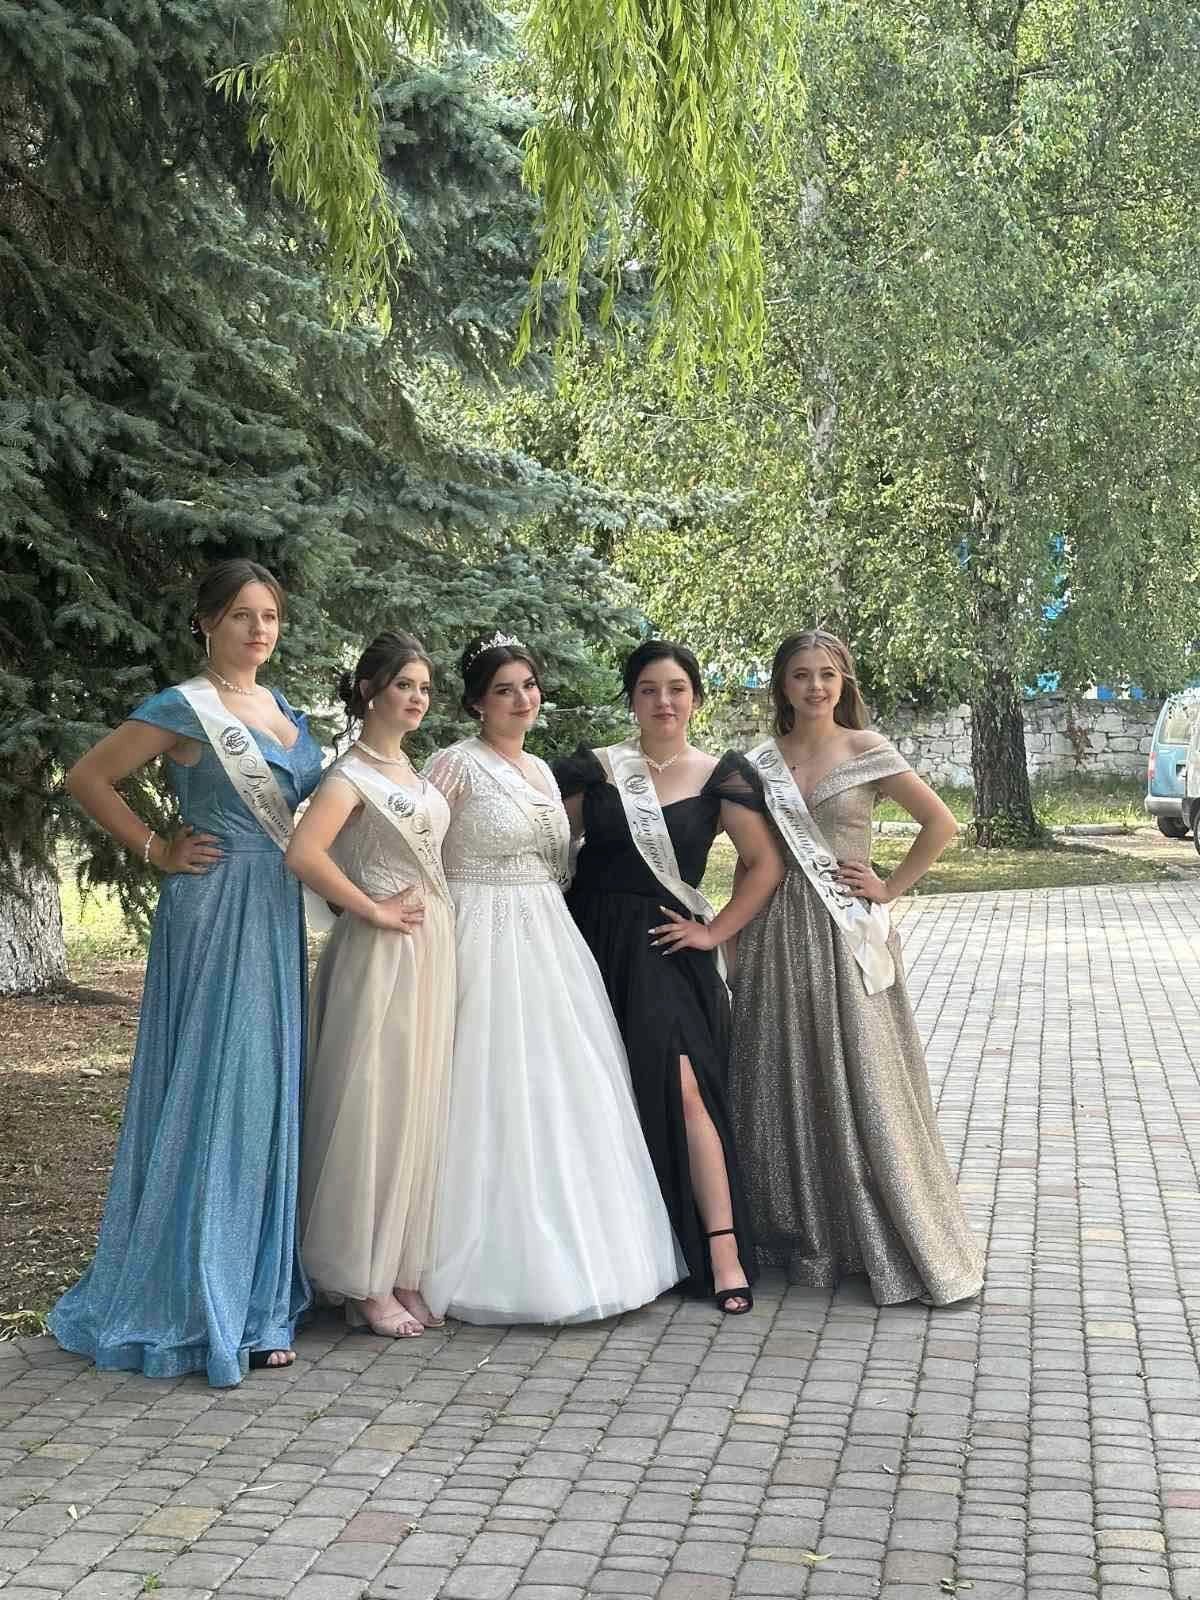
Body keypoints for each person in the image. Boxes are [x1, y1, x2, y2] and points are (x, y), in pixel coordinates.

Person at [48, 559, 323, 1385]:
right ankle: (203, 1295)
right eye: (241, 614)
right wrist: (154, 847)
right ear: (205, 622)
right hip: (213, 906)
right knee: (216, 1086)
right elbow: (88, 777)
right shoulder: (182, 706)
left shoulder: (284, 709)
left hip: (273, 909)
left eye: (269, 615)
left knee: (263, 1088)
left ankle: (257, 1293)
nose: (258, 629)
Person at [421, 632, 681, 1325]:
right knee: (483, 1081)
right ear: (476, 703)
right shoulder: (454, 765)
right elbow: (412, 842)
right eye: (503, 690)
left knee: (560, 1081)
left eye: (529, 686)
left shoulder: (540, 770)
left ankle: (588, 1251)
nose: (521, 700)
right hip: (477, 930)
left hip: (546, 935)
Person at [729, 629, 984, 1306]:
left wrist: (889, 886)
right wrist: (730, 937)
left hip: (845, 934)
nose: (815, 687)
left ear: (844, 682)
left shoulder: (866, 748)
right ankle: (801, 1232)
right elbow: (750, 857)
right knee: (782, 1069)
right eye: (801, 675)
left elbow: (940, 824)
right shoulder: (759, 762)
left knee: (861, 1074)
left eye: (827, 674)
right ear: (782, 684)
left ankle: (877, 1231)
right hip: (773, 931)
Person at [556, 641, 785, 1314]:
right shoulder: (596, 770)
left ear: (696, 698)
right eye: (649, 689)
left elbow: (764, 864)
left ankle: (722, 1250)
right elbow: (541, 845)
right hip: (588, 944)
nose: (664, 701)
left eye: (677, 688)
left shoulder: (721, 776)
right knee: (600, 1092)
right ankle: (614, 1248)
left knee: (687, 1087)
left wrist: (714, 931)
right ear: (631, 699)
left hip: (665, 947)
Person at [287, 632, 454, 1340]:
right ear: (369, 690)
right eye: (403, 685)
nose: (416, 698)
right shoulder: (350, 776)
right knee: (374, 1104)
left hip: (429, 952)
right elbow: (304, 853)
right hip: (381, 954)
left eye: (424, 687)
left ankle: (400, 1265)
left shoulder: (410, 770)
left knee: (416, 1105)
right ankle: (362, 1279)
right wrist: (372, 908)